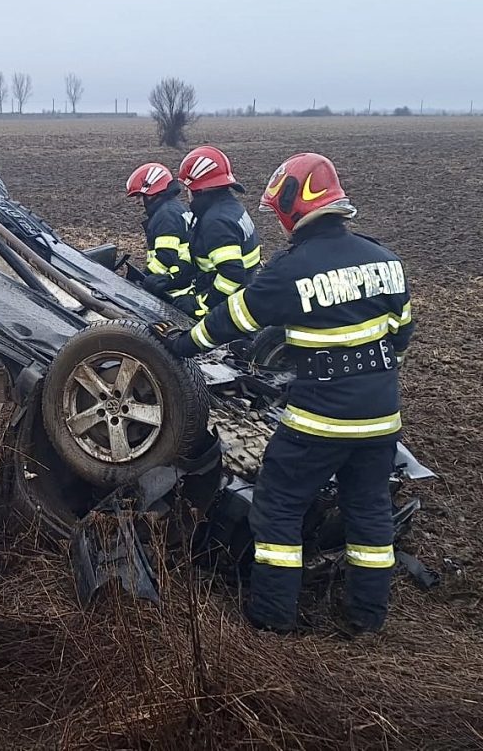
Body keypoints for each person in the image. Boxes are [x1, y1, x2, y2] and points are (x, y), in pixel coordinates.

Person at [156, 152, 414, 634]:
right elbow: (400, 335)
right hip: (381, 418)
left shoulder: (292, 270)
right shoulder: (387, 261)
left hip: (319, 421)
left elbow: (233, 320)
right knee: (370, 513)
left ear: (295, 206)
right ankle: (367, 618)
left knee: (278, 508)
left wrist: (177, 345)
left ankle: (272, 619)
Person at [174, 146, 261, 319]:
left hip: (229, 306)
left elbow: (232, 275)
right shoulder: (230, 207)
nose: (185, 191)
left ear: (200, 189)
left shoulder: (216, 222)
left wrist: (202, 304)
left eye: (188, 186)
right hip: (247, 290)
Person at [125, 162, 195, 300]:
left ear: (153, 192)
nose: (137, 202)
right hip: (184, 280)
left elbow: (166, 256)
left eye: (139, 196)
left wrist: (145, 279)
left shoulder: (166, 215)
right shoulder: (178, 208)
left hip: (173, 288)